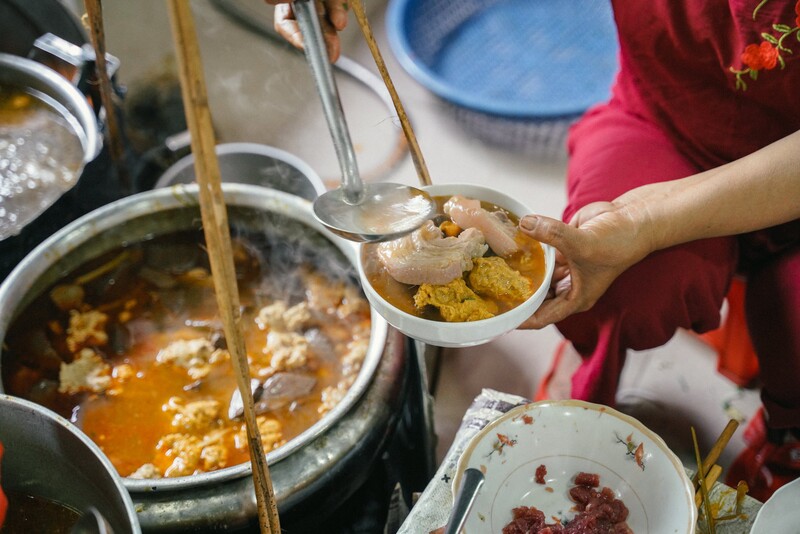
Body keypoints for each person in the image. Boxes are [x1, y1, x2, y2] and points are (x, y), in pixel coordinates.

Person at [267, 0, 800, 501]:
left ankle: (787, 435)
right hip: (668, 116)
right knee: (605, 285)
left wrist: (643, 221)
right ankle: (584, 353)